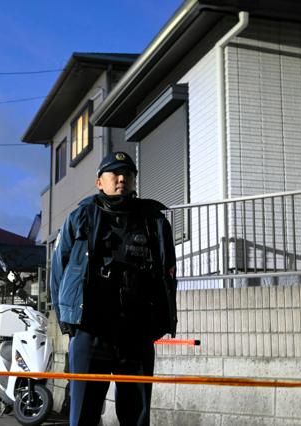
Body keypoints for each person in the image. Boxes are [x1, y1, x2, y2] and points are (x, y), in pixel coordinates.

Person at [50, 151, 178, 426]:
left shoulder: (153, 221)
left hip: (137, 333)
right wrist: (67, 318)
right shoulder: (81, 216)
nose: (122, 179)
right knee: (84, 413)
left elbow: (167, 273)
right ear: (99, 182)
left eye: (128, 174)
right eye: (114, 174)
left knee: (137, 416)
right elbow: (58, 269)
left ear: (134, 180)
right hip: (90, 330)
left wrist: (163, 319)